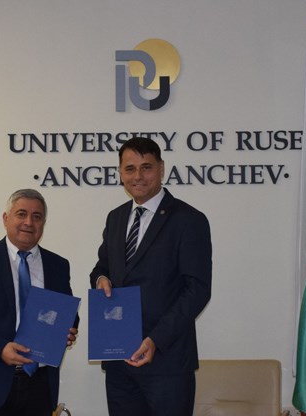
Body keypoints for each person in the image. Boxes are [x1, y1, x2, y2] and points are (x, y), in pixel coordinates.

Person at [90, 137, 213, 416]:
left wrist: (156, 339)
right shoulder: (115, 218)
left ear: (161, 168)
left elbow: (197, 290)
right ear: (120, 173)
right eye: (130, 168)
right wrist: (100, 280)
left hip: (167, 363)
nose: (138, 176)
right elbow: (102, 267)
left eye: (146, 167)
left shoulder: (189, 220)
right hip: (118, 360)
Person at [0, 189, 78, 416]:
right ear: (6, 218)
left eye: (37, 216)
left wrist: (68, 329)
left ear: (43, 223)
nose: (29, 222)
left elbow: (67, 313)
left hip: (39, 386)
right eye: (21, 214)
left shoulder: (58, 265)